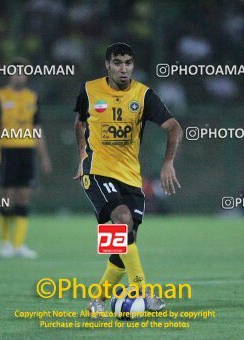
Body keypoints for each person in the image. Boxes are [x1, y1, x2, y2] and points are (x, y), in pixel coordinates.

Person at [73, 43, 183, 314]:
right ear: (107, 65)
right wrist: (82, 155)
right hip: (97, 171)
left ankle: (96, 300)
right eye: (118, 62)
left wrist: (168, 162)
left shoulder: (144, 95)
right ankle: (145, 293)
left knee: (123, 241)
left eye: (128, 63)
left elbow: (173, 127)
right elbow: (80, 123)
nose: (124, 68)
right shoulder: (89, 90)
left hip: (130, 177)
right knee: (122, 220)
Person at [0, 57, 52, 258]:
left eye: (23, 72)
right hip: (6, 151)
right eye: (15, 72)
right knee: (6, 196)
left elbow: (37, 128)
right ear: (9, 73)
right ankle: (4, 242)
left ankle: (18, 244)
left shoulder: (32, 97)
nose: (19, 75)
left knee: (24, 196)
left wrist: (44, 156)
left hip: (27, 151)